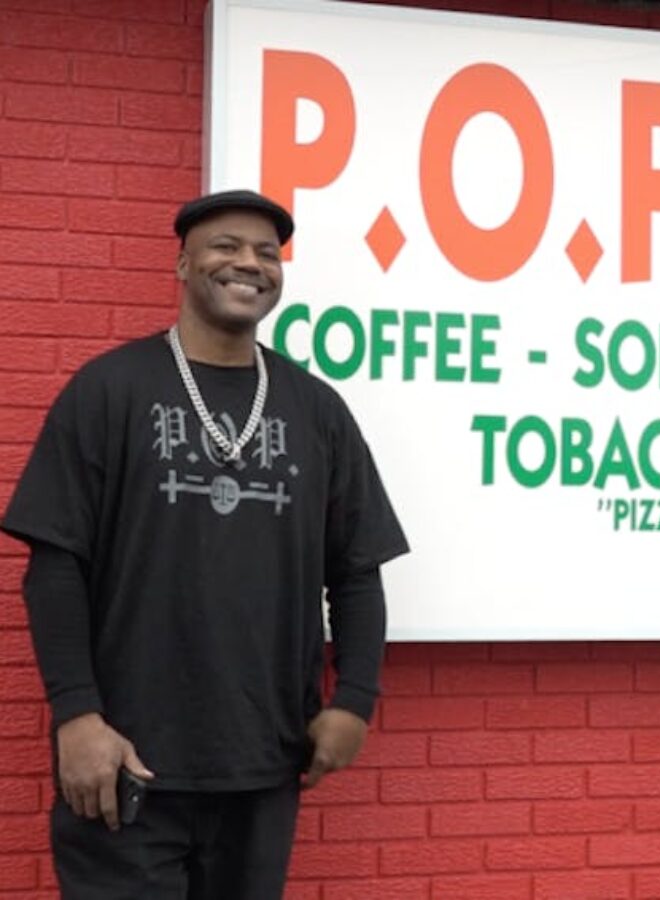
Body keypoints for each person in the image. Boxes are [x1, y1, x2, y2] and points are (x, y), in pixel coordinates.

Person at [1, 189, 409, 899]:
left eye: (266, 252)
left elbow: (357, 571)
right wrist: (78, 716)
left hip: (263, 763)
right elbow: (55, 567)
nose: (248, 263)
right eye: (226, 246)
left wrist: (355, 699)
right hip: (124, 761)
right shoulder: (109, 390)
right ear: (184, 264)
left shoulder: (317, 409)